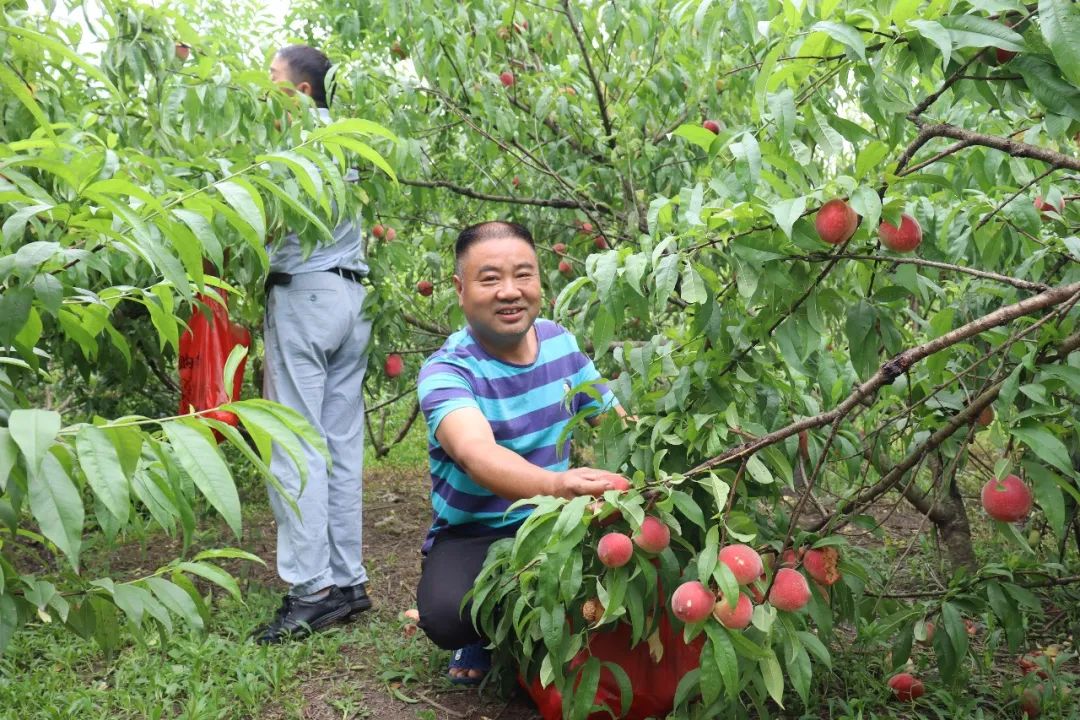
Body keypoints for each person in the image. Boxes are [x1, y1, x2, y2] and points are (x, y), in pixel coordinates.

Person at [415, 220, 627, 683]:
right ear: (460, 288)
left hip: (556, 522)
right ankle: (484, 631)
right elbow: (476, 453)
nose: (510, 291)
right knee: (448, 615)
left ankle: (529, 621)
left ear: (540, 281)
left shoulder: (561, 344)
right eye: (490, 279)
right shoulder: (446, 370)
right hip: (476, 531)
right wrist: (554, 484)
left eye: (523, 275)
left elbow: (614, 425)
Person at [252, 44, 374, 644]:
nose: (262, 86)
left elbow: (258, 225)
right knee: (340, 444)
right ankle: (348, 581)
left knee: (295, 444)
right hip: (355, 298)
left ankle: (312, 592)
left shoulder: (289, 148)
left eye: (272, 78)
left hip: (306, 296)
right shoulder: (346, 141)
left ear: (302, 93)